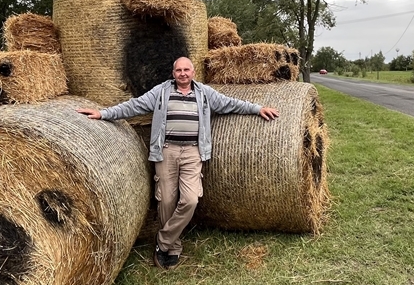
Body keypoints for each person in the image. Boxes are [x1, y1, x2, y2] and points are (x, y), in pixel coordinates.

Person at [77, 57, 279, 269]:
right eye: (178, 70)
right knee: (166, 200)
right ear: (173, 73)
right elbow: (134, 106)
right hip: (166, 152)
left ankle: (163, 242)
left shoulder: (204, 93)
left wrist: (257, 108)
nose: (183, 73)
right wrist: (104, 113)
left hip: (193, 153)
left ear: (193, 72)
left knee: (190, 199)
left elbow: (231, 103)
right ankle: (172, 248)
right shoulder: (161, 92)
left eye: (186, 70)